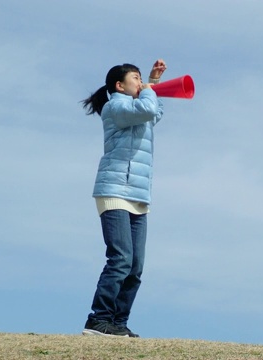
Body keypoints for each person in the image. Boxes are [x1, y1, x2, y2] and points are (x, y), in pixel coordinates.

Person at [80, 59, 167, 337]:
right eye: (136, 78)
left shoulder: (136, 107)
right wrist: (150, 89)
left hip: (138, 194)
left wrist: (151, 84)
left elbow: (155, 113)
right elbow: (149, 108)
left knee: (135, 266)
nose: (140, 83)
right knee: (121, 258)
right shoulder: (115, 106)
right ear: (119, 85)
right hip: (115, 190)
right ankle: (98, 319)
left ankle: (117, 323)